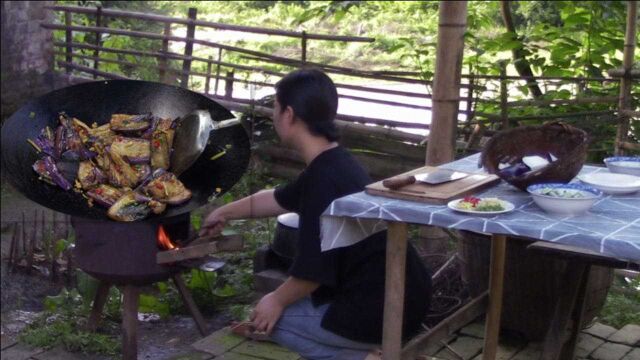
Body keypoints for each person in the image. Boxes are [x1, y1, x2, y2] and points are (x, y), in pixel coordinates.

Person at [200, 68, 432, 360]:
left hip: (385, 312)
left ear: (289, 114)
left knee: (271, 320)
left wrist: (274, 300)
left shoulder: (323, 183)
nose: (274, 115)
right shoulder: (337, 163)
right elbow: (274, 198)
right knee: (285, 311)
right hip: (408, 298)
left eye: (275, 107)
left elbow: (310, 276)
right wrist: (224, 212)